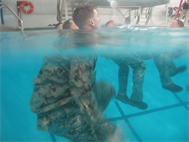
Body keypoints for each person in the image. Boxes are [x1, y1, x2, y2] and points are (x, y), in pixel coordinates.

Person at [30, 5, 122, 142]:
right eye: (97, 16)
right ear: (91, 22)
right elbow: (80, 90)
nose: (100, 18)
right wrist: (103, 127)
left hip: (62, 98)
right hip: (54, 111)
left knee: (107, 89)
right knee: (106, 138)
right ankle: (81, 130)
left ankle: (87, 121)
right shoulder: (82, 46)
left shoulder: (80, 39)